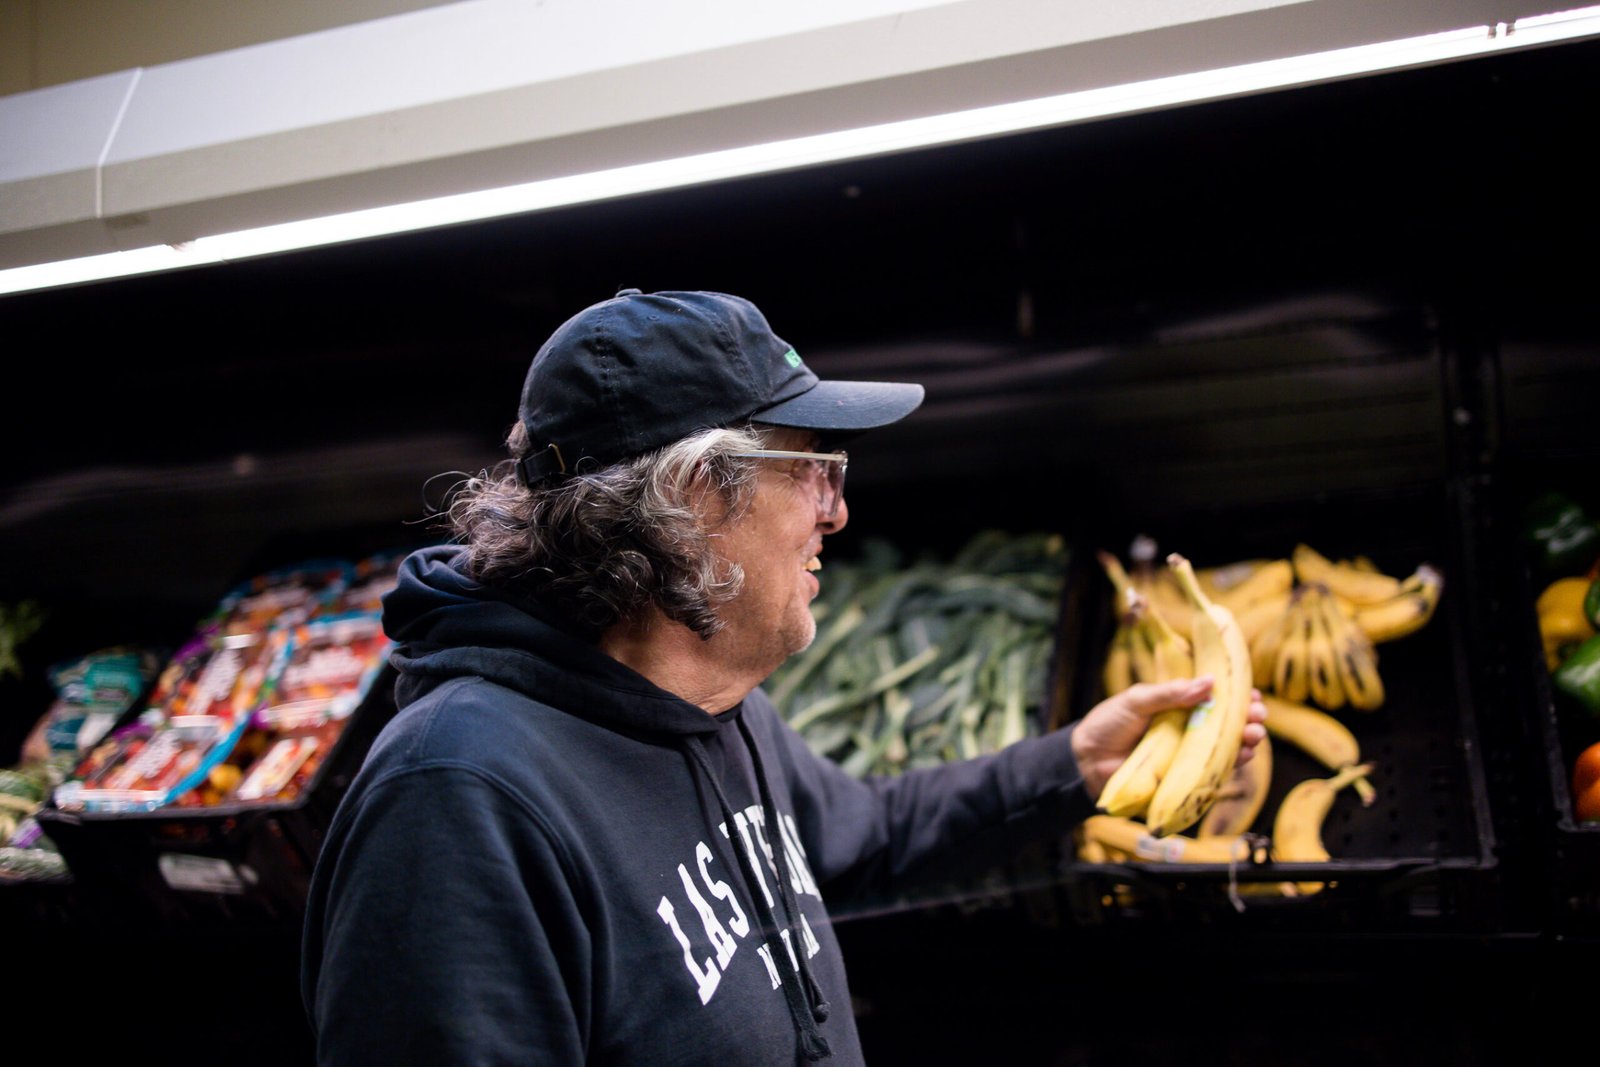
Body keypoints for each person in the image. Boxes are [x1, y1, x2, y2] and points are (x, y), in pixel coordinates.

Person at [299, 287, 1267, 1066]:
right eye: (812, 467)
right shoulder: (454, 806)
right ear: (687, 501)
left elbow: (871, 834)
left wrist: (1074, 765)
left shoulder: (711, 698)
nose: (836, 511)